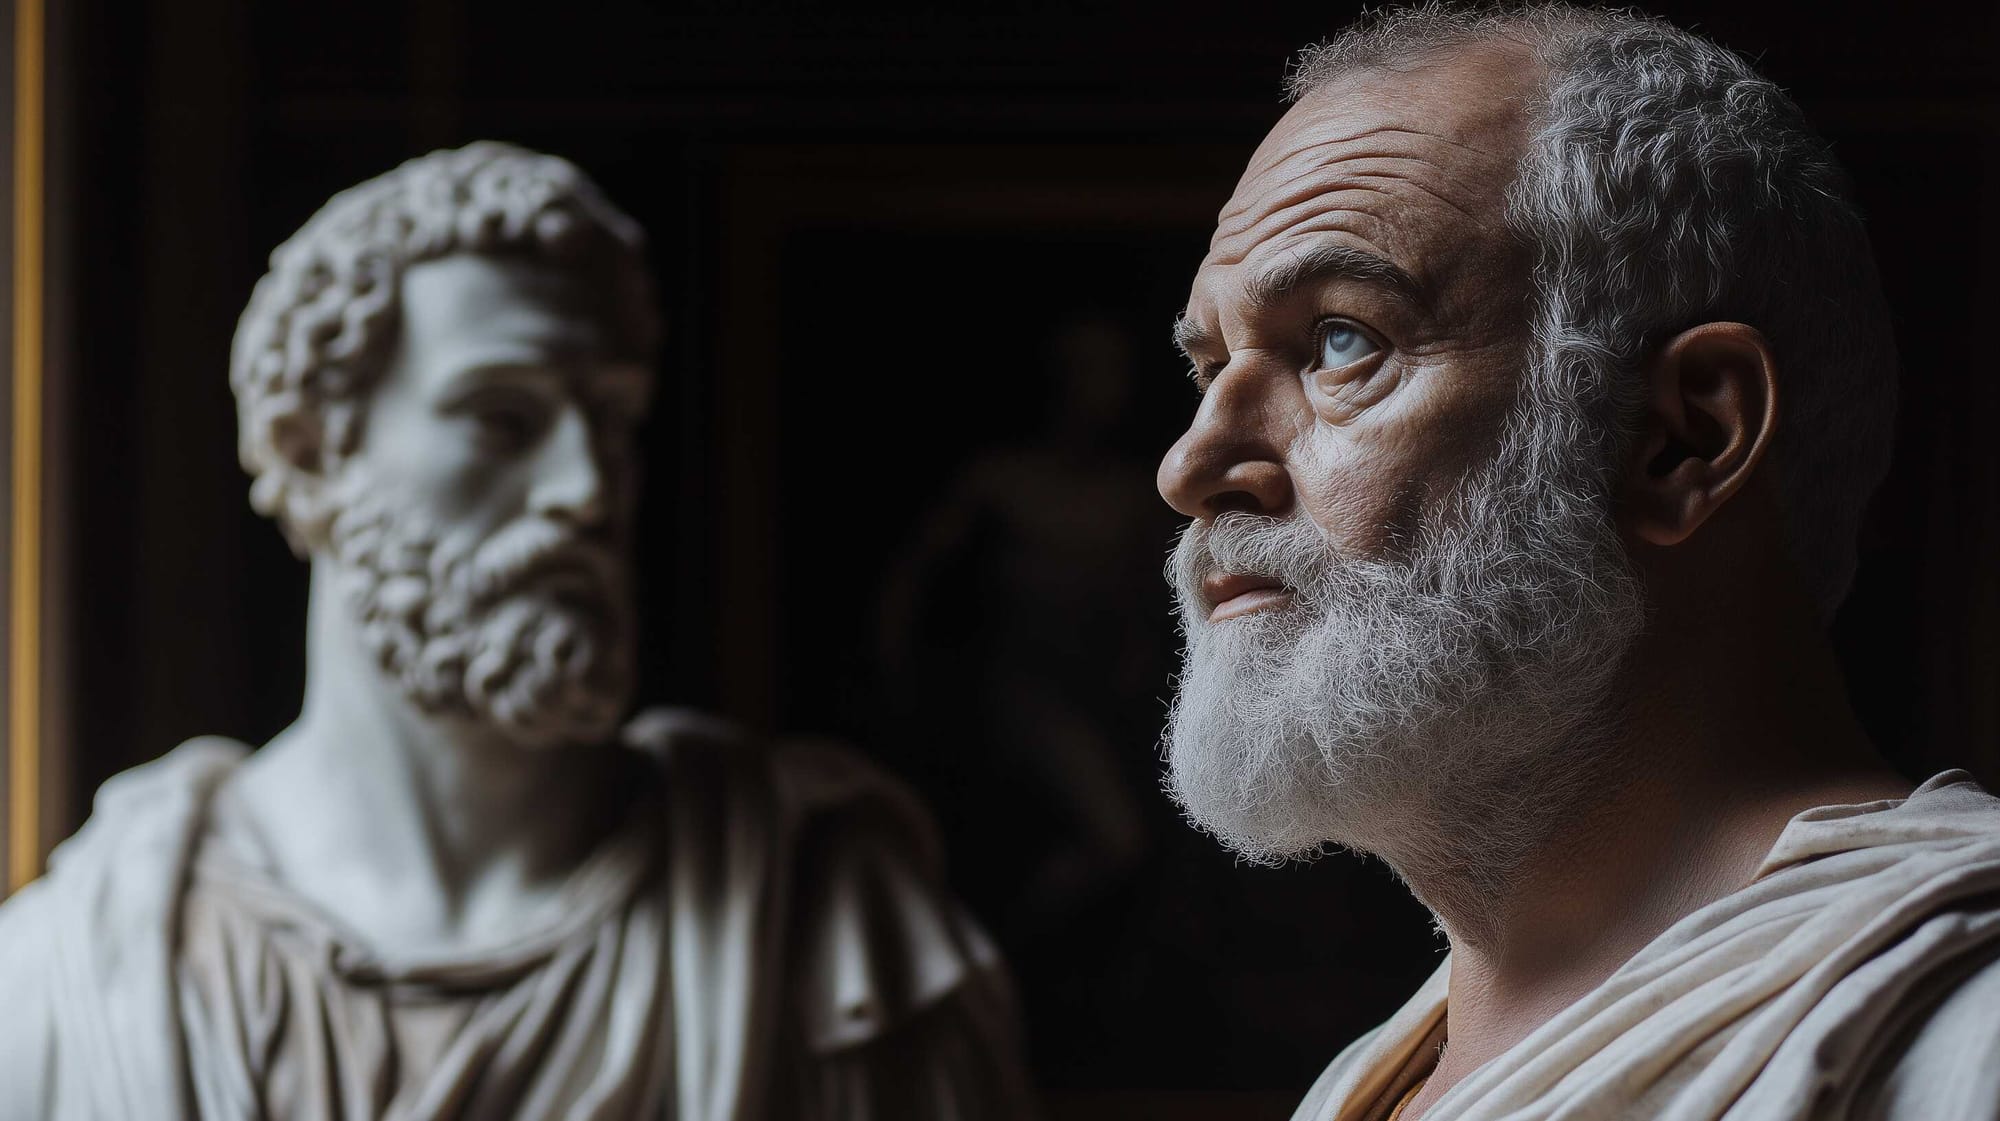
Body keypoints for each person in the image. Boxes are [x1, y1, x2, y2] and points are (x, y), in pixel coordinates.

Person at [0, 142, 1034, 1121]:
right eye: (502, 417)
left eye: (613, 423)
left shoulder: (830, 928)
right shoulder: (81, 975)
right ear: (313, 452)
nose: (585, 490)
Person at [1154, 4, 2000, 1119]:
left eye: (1340, 341)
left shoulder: (1961, 1027)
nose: (1190, 463)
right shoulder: (1365, 1083)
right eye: (1209, 364)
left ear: (1679, 438)